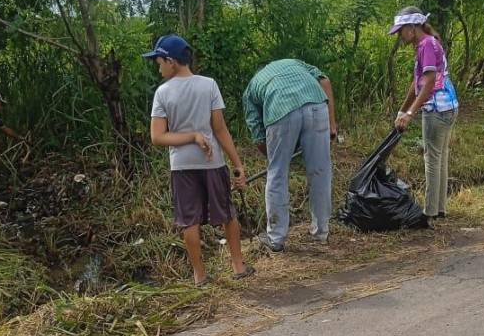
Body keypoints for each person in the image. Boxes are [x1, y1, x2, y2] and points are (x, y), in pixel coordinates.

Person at [144, 34, 255, 286]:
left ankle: (200, 275)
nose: (158, 66)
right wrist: (237, 164)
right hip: (212, 162)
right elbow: (220, 129)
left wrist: (190, 137)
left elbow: (157, 137)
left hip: (182, 166)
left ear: (171, 61)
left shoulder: (162, 93)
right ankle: (238, 267)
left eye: (159, 61)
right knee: (227, 213)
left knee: (189, 219)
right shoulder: (209, 85)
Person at [243, 59, 338, 252]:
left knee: (277, 173)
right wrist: (332, 124)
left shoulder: (252, 87)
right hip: (317, 104)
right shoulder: (294, 63)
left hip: (281, 109)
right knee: (321, 169)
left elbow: (258, 135)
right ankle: (321, 232)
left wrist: (276, 158)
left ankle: (275, 239)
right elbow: (325, 80)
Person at [389, 6, 459, 228]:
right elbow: (417, 82)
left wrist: (410, 114)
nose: (400, 36)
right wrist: (403, 109)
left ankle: (428, 213)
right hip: (448, 106)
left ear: (412, 27)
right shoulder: (426, 44)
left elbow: (428, 83)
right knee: (440, 157)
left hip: (437, 109)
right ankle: (439, 209)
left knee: (432, 159)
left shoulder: (427, 45)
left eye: (401, 31)